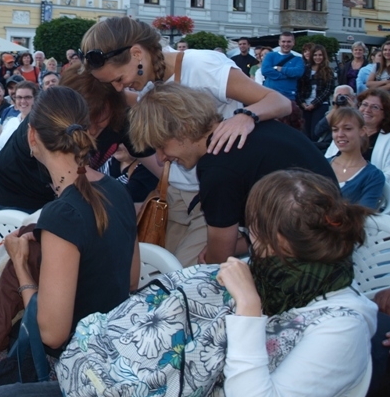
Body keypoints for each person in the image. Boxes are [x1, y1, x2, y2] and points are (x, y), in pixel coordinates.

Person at [80, 16, 290, 266]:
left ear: (137, 53)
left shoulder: (201, 66)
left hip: (211, 196)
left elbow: (280, 102)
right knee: (154, 269)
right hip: (174, 195)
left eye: (118, 79)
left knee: (180, 276)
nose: (118, 88)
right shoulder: (146, 82)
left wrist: (246, 116)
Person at [0, 86, 139, 397]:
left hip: (76, 370)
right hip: (113, 352)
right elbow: (131, 280)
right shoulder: (117, 191)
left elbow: (51, 334)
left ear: (32, 136)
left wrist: (21, 264)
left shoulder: (62, 214)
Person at [216, 170, 376, 397]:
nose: (249, 233)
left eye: (253, 225)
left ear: (276, 240)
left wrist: (248, 308)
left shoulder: (343, 329)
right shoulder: (278, 277)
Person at [129, 83, 336, 264]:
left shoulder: (217, 168)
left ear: (184, 128)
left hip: (312, 255)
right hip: (329, 237)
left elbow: (219, 256)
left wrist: (213, 256)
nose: (161, 158)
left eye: (162, 146)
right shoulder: (248, 131)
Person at [0, 67, 134, 214]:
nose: (92, 132)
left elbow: (147, 155)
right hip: (11, 198)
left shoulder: (118, 117)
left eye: (101, 123)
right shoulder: (44, 124)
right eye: (87, 122)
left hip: (52, 198)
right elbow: (68, 191)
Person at [326, 89, 390, 209]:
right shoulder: (340, 138)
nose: (367, 110)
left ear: (385, 113)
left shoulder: (373, 175)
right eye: (364, 104)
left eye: (375, 107)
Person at [297, 44, 336, 139]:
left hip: (320, 104)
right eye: (315, 55)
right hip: (305, 104)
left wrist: (314, 104)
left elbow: (328, 89)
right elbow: (298, 87)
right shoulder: (305, 69)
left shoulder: (328, 71)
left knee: (315, 133)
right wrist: (302, 102)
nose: (317, 57)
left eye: (320, 55)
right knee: (304, 133)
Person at [262, 32, 305, 101]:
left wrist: (279, 69)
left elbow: (298, 72)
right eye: (283, 41)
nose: (286, 44)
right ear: (279, 42)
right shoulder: (270, 55)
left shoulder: (298, 59)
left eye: (289, 42)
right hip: (270, 95)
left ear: (293, 43)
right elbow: (265, 70)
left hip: (288, 96)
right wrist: (287, 75)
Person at [313, 84, 357, 151]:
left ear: (353, 98)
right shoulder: (331, 113)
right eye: (339, 96)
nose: (342, 98)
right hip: (328, 145)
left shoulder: (358, 113)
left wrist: (353, 110)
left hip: (346, 145)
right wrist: (335, 108)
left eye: (346, 96)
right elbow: (317, 131)